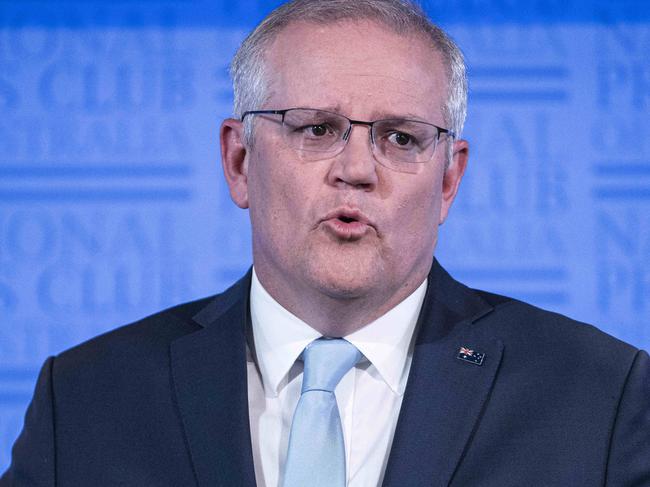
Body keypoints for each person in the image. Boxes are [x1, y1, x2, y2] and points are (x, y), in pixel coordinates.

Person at [2, 0, 649, 485]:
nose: (357, 168)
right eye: (316, 128)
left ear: (449, 179)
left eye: (400, 138)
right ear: (237, 160)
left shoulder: (600, 398)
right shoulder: (86, 399)